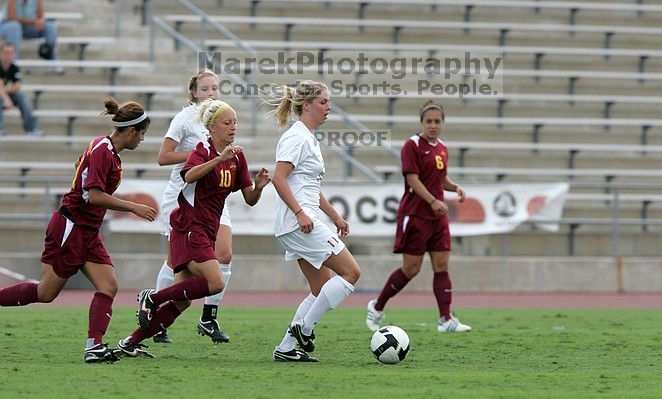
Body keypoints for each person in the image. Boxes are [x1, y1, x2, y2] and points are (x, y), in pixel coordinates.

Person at [0, 98, 157, 363]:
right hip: (70, 227)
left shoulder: (103, 148)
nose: (142, 139)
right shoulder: (103, 151)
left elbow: (78, 167)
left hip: (88, 231)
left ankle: (93, 347)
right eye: (142, 133)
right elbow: (93, 195)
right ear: (131, 131)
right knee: (46, 293)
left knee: (108, 286)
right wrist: (133, 207)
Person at [116, 99, 270, 358]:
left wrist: (260, 186)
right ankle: (152, 298)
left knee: (182, 301)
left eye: (235, 122)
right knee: (215, 282)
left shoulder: (237, 156)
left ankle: (129, 342)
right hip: (188, 227)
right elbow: (188, 176)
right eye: (227, 122)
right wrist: (218, 159)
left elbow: (249, 199)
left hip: (206, 232)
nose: (233, 127)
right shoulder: (202, 150)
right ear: (211, 126)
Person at [266, 81, 361, 363]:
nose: (328, 107)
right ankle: (304, 327)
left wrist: (334, 216)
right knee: (352, 273)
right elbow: (278, 178)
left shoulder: (308, 137)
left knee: (320, 289)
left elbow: (308, 185)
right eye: (323, 102)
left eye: (328, 102)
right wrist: (299, 213)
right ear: (306, 105)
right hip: (299, 223)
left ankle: (285, 348)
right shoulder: (297, 137)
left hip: (301, 221)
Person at [365, 100, 472, 333]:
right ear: (421, 122)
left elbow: (440, 179)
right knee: (411, 269)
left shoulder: (442, 147)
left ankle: (446, 319)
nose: (433, 125)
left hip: (437, 217)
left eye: (437, 121)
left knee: (442, 265)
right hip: (415, 215)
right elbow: (413, 179)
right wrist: (433, 201)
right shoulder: (412, 145)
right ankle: (377, 306)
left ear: (443, 123)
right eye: (429, 121)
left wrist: (455, 188)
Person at [150, 69, 235, 344]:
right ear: (194, 93)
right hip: (183, 197)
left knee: (225, 254)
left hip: (214, 198)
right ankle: (155, 314)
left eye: (215, 88)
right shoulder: (185, 118)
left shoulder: (222, 115)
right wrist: (203, 154)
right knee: (176, 263)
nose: (212, 93)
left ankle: (209, 316)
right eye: (206, 89)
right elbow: (163, 157)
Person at [5, 0, 60, 68]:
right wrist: (33, 21)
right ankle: (12, 61)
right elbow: (11, 18)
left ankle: (52, 58)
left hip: (29, 28)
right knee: (15, 26)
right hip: (11, 28)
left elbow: (41, 16)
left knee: (50, 26)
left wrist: (40, 22)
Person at [0, 41, 41, 135]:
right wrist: (6, 98)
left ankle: (32, 129)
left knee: (22, 96)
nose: (8, 55)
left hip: (4, 95)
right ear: (0, 53)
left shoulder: (14, 67)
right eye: (6, 53)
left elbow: (17, 85)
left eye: (11, 53)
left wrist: (5, 93)